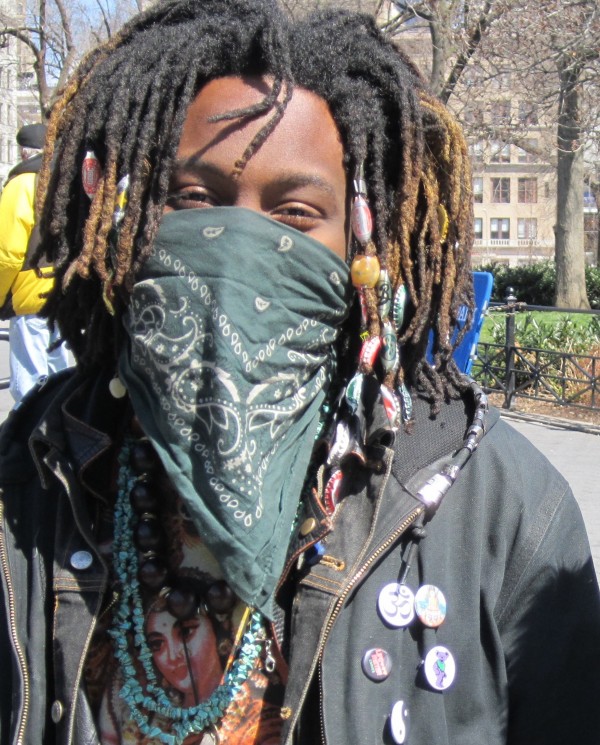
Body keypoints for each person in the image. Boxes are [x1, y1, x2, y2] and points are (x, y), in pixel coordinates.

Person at [0, 1, 599, 744]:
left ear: (359, 237)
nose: (240, 245)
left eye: (294, 211)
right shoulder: (34, 477)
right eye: (193, 199)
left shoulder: (500, 507)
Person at [0, 123, 71, 403]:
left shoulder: (23, 182)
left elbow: (8, 253)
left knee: (29, 386)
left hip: (32, 294)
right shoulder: (71, 179)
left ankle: (29, 444)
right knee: (64, 376)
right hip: (68, 289)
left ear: (23, 152)